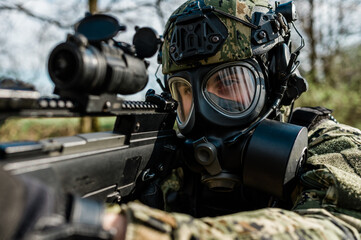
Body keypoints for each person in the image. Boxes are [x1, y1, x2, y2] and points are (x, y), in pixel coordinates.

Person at [107, 0, 361, 239]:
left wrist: (130, 229)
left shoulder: (334, 147)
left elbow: (338, 225)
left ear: (275, 81)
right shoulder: (167, 165)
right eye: (185, 91)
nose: (203, 114)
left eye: (228, 84)